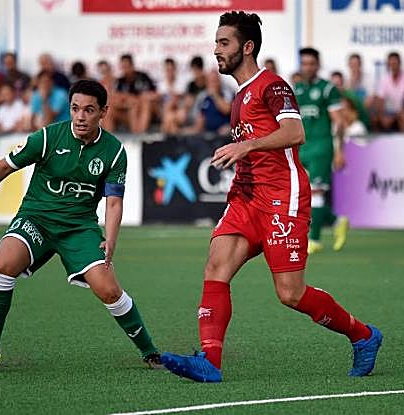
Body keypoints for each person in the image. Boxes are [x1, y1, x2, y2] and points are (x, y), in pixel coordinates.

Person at [160, 11, 382, 383]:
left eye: (224, 43)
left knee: (290, 293)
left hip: (283, 196)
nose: (216, 50)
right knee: (216, 267)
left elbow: (295, 133)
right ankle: (210, 363)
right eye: (216, 42)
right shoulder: (239, 95)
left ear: (247, 47)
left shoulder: (272, 86)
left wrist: (247, 146)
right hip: (247, 198)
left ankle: (363, 335)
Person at [0, 79, 162, 372]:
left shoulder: (114, 151)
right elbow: (5, 166)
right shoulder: (47, 137)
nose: (80, 116)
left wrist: (110, 239)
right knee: (4, 262)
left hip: (78, 228)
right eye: (75, 109)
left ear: (103, 112)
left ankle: (150, 353)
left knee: (108, 290)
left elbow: (113, 202)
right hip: (36, 219)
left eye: (89, 110)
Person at [295, 47, 349, 254]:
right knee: (301, 196)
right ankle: (336, 221)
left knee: (316, 192)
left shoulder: (327, 89)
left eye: (311, 63)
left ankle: (314, 240)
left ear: (318, 65)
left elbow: (340, 122)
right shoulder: (297, 90)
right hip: (302, 148)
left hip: (322, 147)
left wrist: (339, 150)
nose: (307, 67)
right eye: (304, 63)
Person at [111, 54, 158, 133]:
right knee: (110, 110)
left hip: (148, 109)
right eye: (123, 67)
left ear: (132, 65)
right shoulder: (120, 81)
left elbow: (154, 94)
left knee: (143, 104)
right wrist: (128, 100)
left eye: (126, 66)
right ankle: (106, 138)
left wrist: (137, 99)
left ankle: (139, 134)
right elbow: (115, 98)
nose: (125, 69)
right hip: (129, 110)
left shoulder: (143, 76)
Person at [374, 52, 404, 132]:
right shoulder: (384, 79)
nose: (393, 66)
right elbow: (380, 99)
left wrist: (395, 116)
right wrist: (381, 116)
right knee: (375, 119)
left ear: (400, 63)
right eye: (391, 63)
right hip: (388, 112)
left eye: (395, 63)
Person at [187, 69, 232, 134]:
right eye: (210, 81)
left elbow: (227, 109)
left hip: (224, 131)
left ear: (219, 81)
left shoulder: (226, 92)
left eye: (215, 81)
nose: (213, 84)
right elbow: (197, 116)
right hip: (206, 132)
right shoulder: (202, 96)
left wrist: (215, 95)